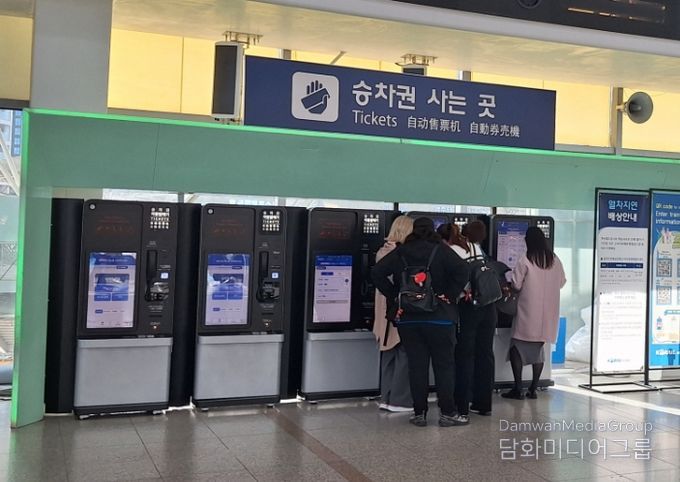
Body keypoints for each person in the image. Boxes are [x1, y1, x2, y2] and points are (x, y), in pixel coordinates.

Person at [372, 217, 469, 427]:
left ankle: (419, 413)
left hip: (409, 319)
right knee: (444, 367)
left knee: (416, 366)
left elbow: (377, 272)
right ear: (432, 230)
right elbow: (463, 269)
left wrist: (395, 295)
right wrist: (449, 294)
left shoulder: (402, 251)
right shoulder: (441, 250)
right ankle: (447, 413)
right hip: (440, 318)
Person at [502, 226, 566, 400]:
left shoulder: (526, 259)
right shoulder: (554, 259)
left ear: (527, 241)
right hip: (548, 314)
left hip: (528, 310)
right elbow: (562, 282)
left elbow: (516, 285)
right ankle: (533, 388)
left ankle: (518, 388)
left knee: (516, 347)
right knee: (539, 349)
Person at [443, 221, 498, 422]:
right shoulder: (477, 249)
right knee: (485, 353)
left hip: (468, 307)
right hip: (488, 306)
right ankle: (484, 404)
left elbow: (452, 279)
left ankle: (462, 406)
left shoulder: (454, 250)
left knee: (464, 355)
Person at [373, 215, 414, 413]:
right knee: (404, 353)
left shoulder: (382, 251)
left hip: (383, 311)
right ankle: (400, 400)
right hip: (397, 308)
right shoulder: (400, 255)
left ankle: (386, 397)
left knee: (388, 353)